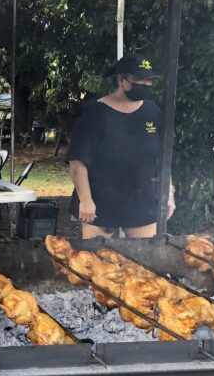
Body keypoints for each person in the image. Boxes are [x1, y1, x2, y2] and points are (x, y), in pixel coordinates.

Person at [66, 54, 175, 239]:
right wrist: (85, 200)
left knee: (143, 262)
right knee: (96, 264)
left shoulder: (153, 112)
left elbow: (162, 159)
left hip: (141, 202)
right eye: (139, 79)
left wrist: (169, 193)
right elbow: (77, 163)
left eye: (148, 80)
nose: (145, 84)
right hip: (99, 205)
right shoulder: (95, 114)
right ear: (121, 80)